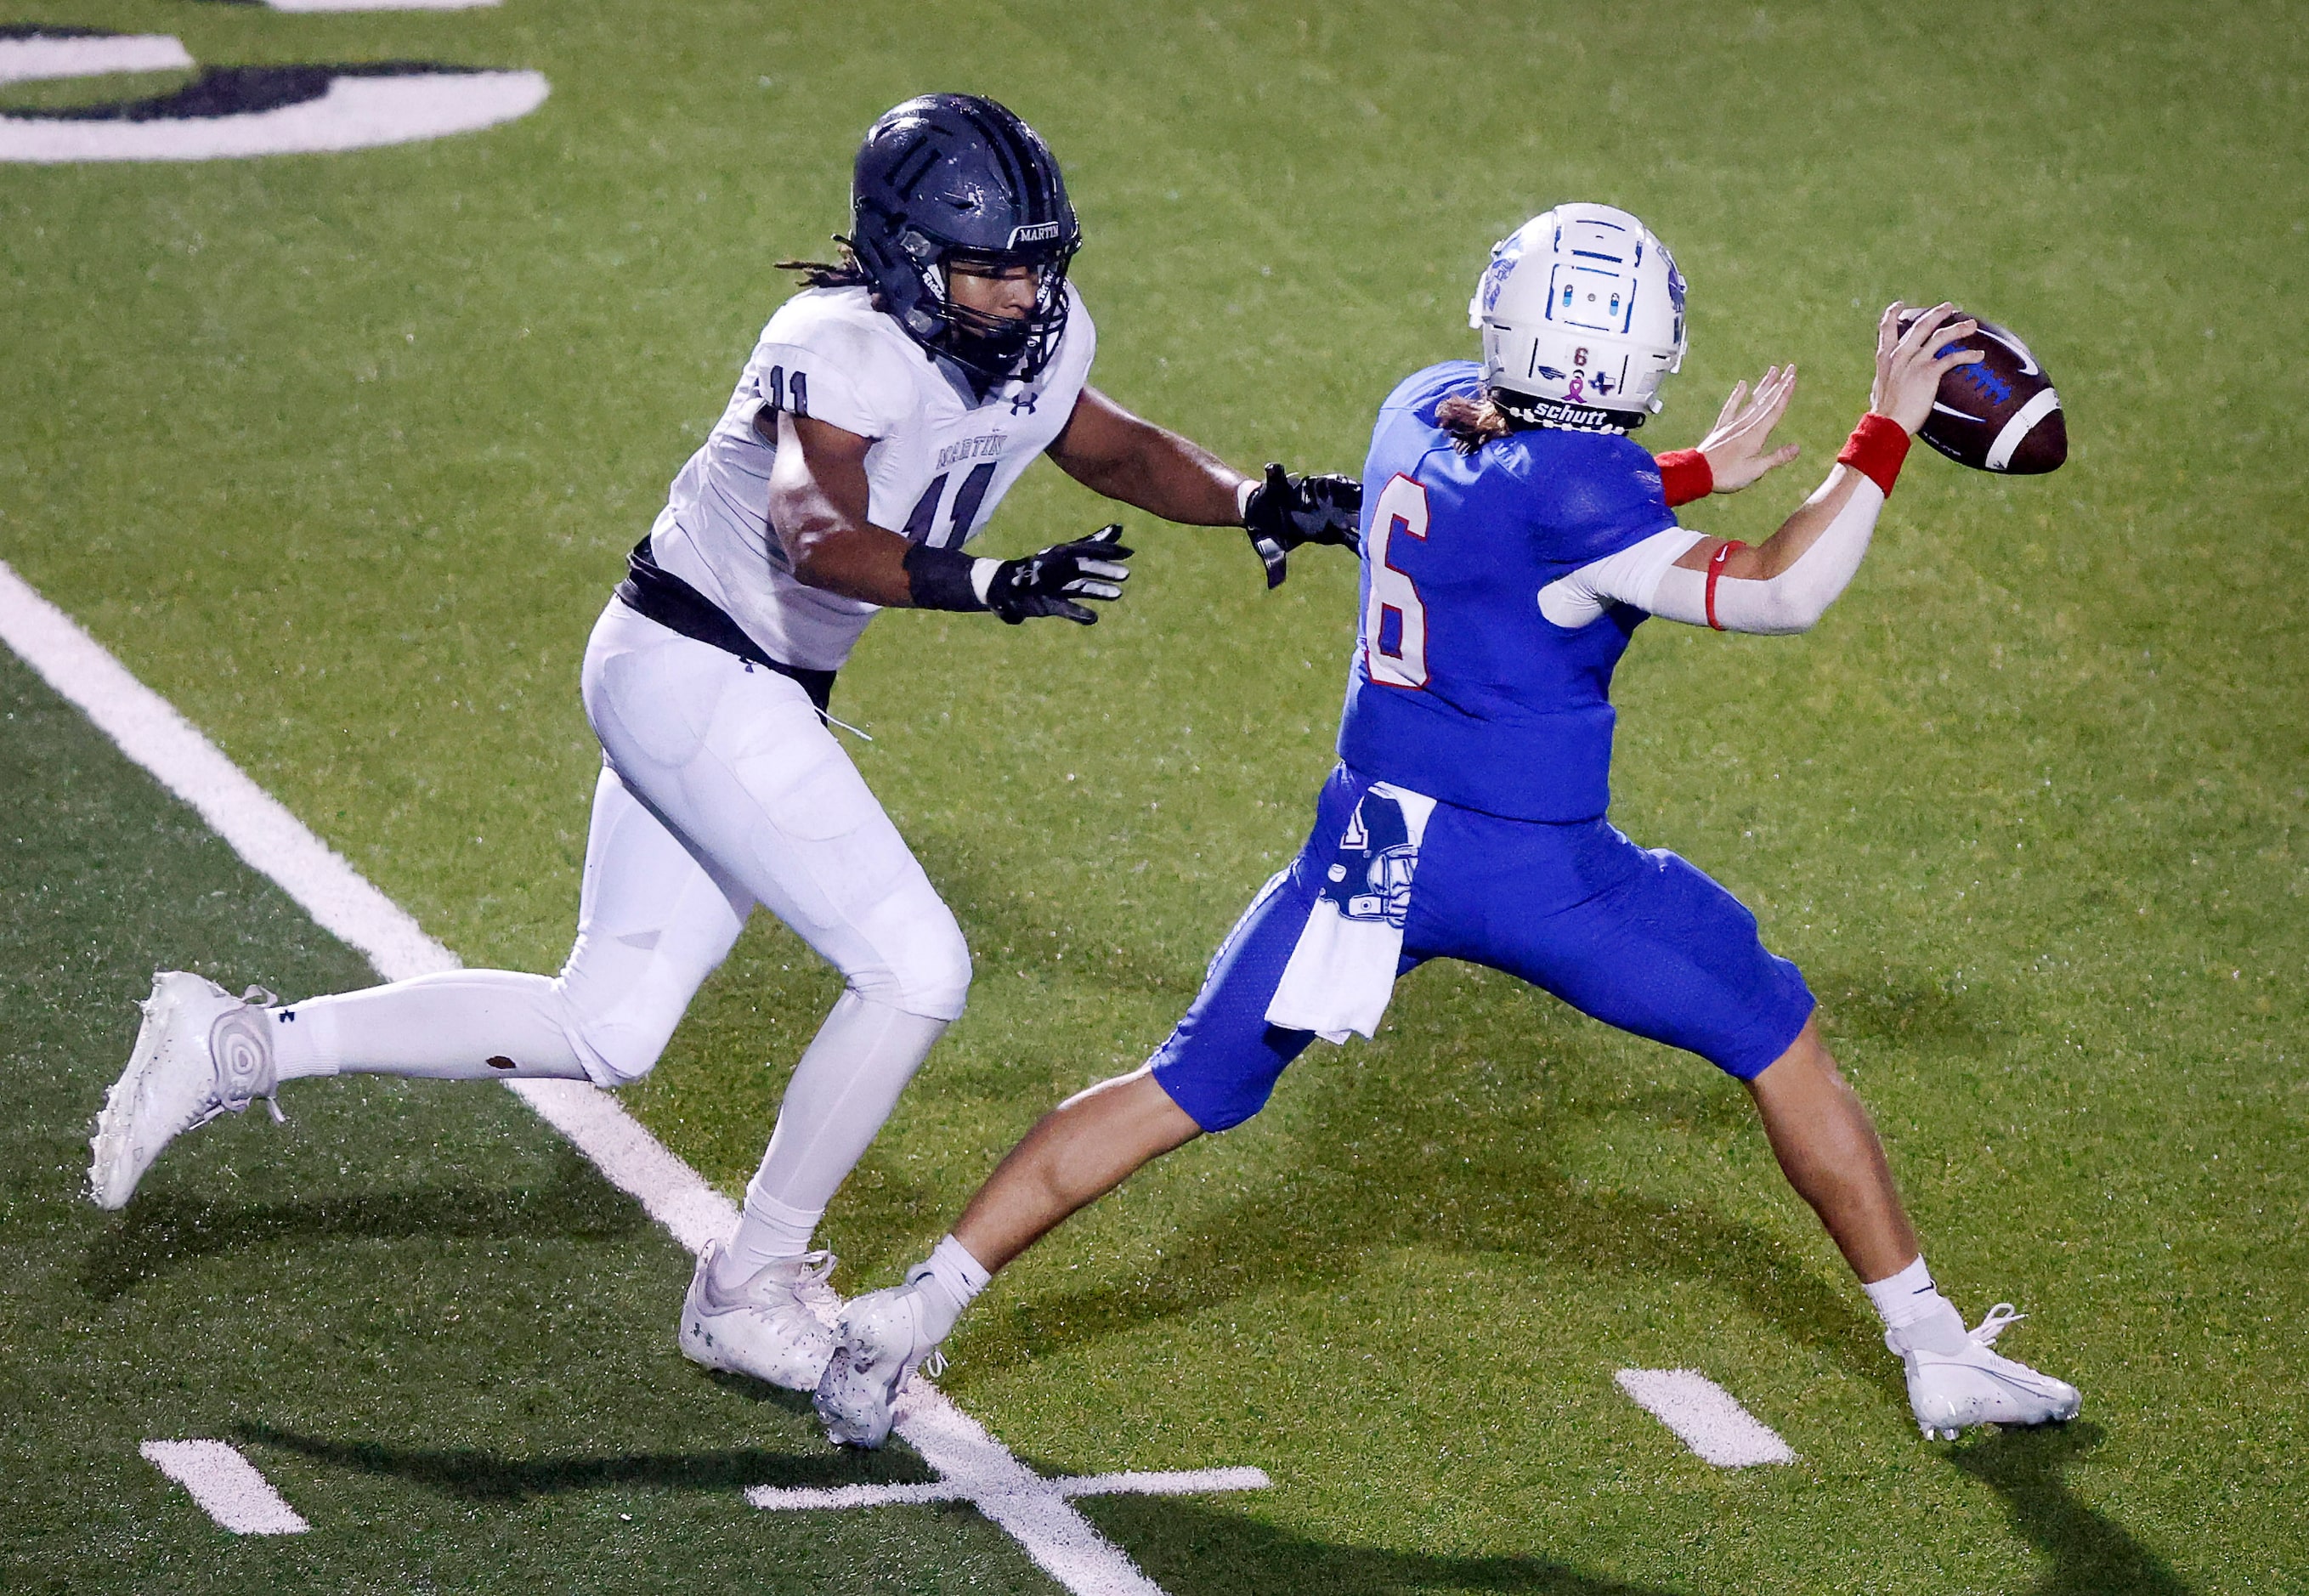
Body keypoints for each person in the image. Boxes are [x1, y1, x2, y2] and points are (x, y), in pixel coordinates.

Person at [84, 93, 1365, 1395]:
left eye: (1039, 260)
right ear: (905, 255)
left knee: (605, 1027)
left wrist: (1251, 496)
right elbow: (818, 532)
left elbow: (1102, 442)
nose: (1023, 292)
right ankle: (753, 1278)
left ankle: (238, 1043)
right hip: (694, 665)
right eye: (990, 265)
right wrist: (986, 584)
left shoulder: (1030, 330)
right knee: (915, 968)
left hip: (727, 680)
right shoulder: (837, 341)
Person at [812, 203, 2085, 1450]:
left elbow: (1521, 508)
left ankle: (914, 1305)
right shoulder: (1594, 497)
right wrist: (1883, 429)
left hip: (1371, 852)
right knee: (1781, 1044)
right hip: (1541, 869)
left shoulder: (1417, 407)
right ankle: (1931, 1349)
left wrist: (1686, 471)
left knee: (1176, 1086)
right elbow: (1779, 589)